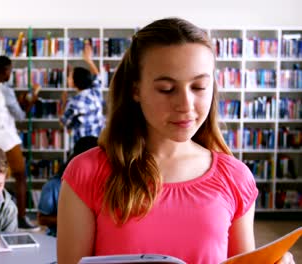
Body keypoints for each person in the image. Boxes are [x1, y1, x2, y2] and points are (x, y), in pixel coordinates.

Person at [57, 18, 295, 264]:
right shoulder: (86, 173)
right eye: (167, 89)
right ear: (135, 90)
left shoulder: (235, 178)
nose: (185, 105)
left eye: (199, 87)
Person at [0, 55, 40, 231]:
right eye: (10, 70)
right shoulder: (5, 90)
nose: (10, 73)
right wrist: (33, 99)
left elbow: (4, 109)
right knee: (21, 177)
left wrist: (20, 101)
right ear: (5, 70)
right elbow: (21, 116)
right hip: (8, 139)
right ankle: (21, 218)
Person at [37, 136, 98, 237]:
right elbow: (42, 219)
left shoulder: (100, 183)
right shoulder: (54, 185)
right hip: (58, 238)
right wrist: (74, 222)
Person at [60, 43, 105, 146]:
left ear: (75, 82)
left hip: (83, 147)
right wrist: (88, 60)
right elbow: (97, 76)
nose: (67, 79)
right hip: (99, 144)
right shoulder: (95, 92)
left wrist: (63, 102)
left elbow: (63, 122)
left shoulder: (74, 102)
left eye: (70, 77)